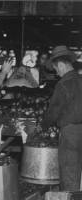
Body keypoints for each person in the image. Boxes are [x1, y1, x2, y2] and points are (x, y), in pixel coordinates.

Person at [42, 45, 82, 191]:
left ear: (60, 65)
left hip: (70, 134)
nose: (57, 73)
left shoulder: (63, 83)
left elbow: (53, 112)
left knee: (69, 174)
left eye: (56, 69)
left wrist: (43, 126)